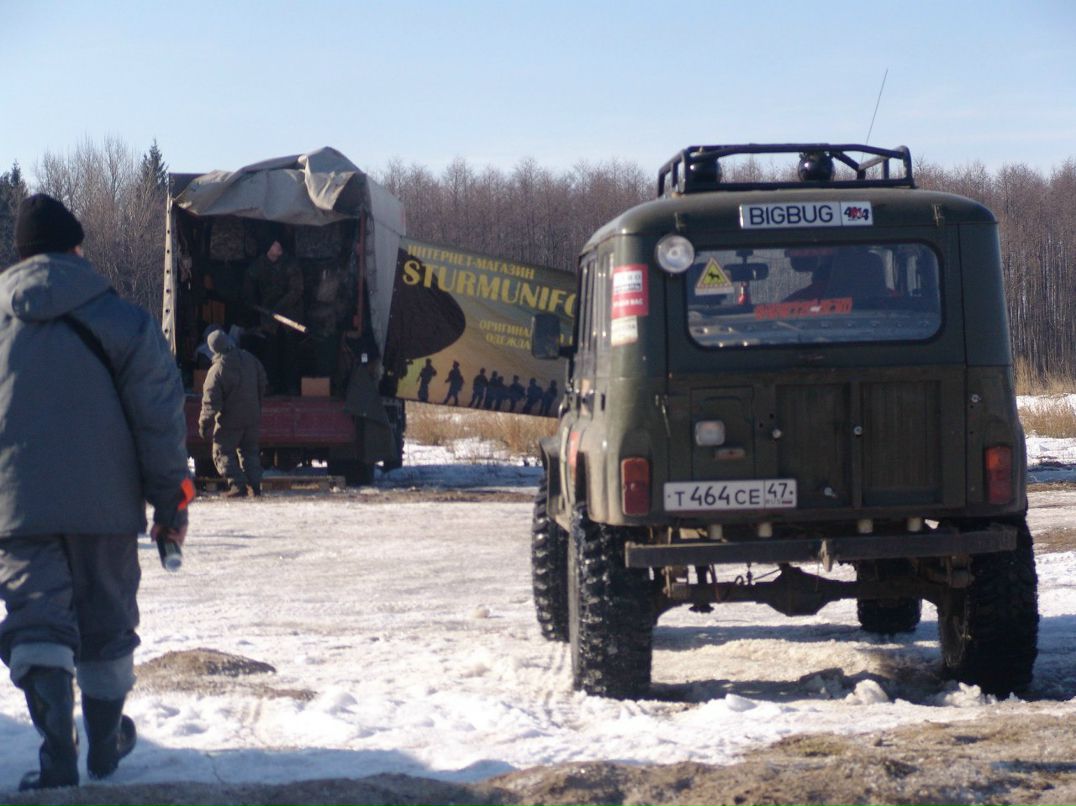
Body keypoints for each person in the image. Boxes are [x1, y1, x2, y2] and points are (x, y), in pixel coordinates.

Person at [0, 194, 193, 791]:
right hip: (107, 509)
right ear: (76, 249)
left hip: (17, 509)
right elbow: (160, 421)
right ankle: (105, 747)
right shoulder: (125, 321)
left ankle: (59, 754)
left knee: (38, 623)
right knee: (107, 625)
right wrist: (171, 505)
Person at [198, 330, 268, 498]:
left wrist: (204, 424)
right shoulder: (249, 358)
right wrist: (256, 403)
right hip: (252, 415)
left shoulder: (217, 370)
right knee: (249, 451)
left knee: (222, 451)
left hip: (230, 419)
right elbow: (263, 381)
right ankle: (255, 487)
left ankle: (237, 485)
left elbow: (210, 403)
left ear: (213, 348)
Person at [244, 239, 303, 394]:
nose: (279, 246)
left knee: (291, 352)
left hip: (289, 316)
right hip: (269, 318)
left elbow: (296, 290)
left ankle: (291, 386)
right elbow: (249, 279)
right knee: (271, 351)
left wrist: (278, 308)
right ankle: (271, 385)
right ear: (268, 247)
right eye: (275, 244)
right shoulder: (260, 264)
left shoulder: (289, 263)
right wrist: (252, 302)